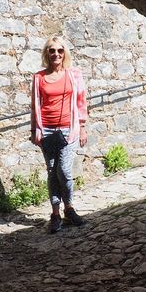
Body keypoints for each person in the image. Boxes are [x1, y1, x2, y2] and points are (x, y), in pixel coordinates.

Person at [30, 36, 88, 233]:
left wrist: (82, 127)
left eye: (60, 50)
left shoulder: (74, 75)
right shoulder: (38, 77)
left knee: (63, 170)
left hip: (69, 129)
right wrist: (34, 131)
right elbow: (35, 106)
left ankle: (69, 208)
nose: (56, 54)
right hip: (46, 130)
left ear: (65, 54)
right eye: (52, 50)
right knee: (52, 171)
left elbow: (81, 102)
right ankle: (56, 214)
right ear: (47, 53)